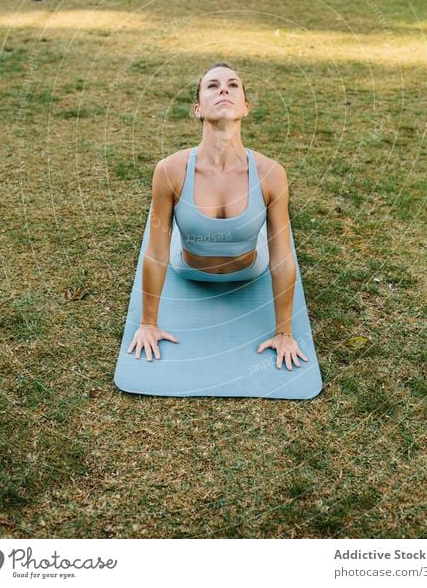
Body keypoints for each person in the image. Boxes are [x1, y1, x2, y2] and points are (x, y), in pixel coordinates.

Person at [126, 62, 309, 372]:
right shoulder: (170, 170)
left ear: (246, 108)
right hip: (187, 268)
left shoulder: (271, 174)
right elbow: (156, 251)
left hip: (250, 269)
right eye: (212, 85)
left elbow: (281, 258)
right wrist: (147, 323)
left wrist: (284, 333)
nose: (224, 88)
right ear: (197, 109)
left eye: (233, 85)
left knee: (268, 237)